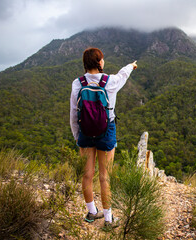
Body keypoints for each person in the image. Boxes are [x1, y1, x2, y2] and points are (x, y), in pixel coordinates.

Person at [70, 47, 137, 227]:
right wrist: (131, 65)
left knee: (87, 175)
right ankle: (108, 220)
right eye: (103, 59)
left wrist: (78, 137)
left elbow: (73, 113)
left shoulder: (78, 83)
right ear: (100, 62)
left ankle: (92, 212)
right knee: (104, 176)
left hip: (84, 131)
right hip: (106, 130)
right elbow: (123, 74)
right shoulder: (110, 82)